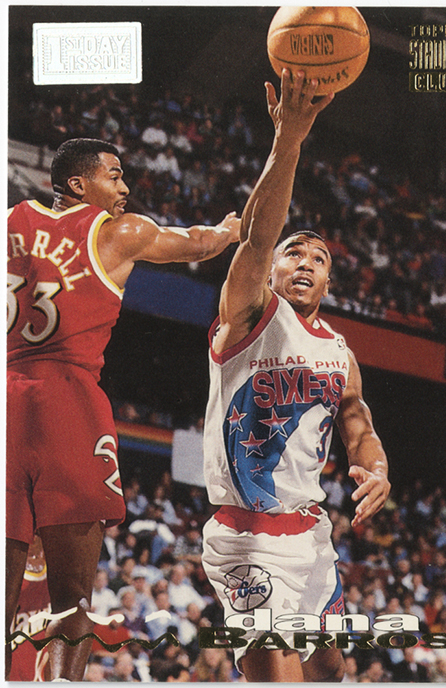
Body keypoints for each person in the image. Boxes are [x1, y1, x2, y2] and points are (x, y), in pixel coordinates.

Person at [6, 137, 240, 681]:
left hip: (7, 397)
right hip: (68, 399)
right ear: (78, 184)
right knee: (71, 598)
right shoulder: (118, 231)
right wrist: (228, 232)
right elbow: (195, 243)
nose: (125, 187)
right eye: (114, 175)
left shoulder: (10, 222)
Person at [201, 70, 390, 682]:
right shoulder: (249, 314)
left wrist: (376, 466)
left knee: (330, 670)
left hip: (310, 532)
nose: (306, 262)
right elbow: (257, 235)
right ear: (272, 269)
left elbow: (358, 422)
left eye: (319, 258)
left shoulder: (339, 349)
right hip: (247, 536)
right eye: (294, 253)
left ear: (330, 281)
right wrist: (290, 140)